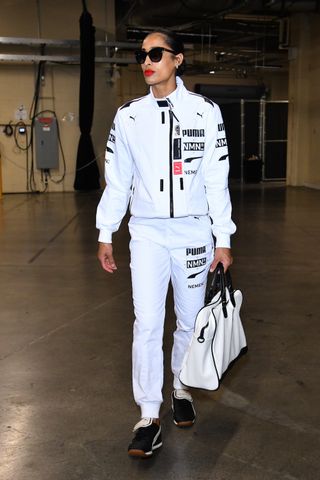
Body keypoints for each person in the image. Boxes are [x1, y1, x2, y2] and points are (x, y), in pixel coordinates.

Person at [96, 29, 236, 458]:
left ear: (177, 60)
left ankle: (180, 388)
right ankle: (148, 415)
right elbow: (118, 180)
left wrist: (223, 239)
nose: (146, 60)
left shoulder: (205, 112)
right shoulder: (128, 116)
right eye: (142, 54)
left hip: (194, 232)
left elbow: (217, 179)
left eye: (156, 53)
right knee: (147, 321)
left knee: (191, 323)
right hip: (148, 233)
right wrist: (106, 231)